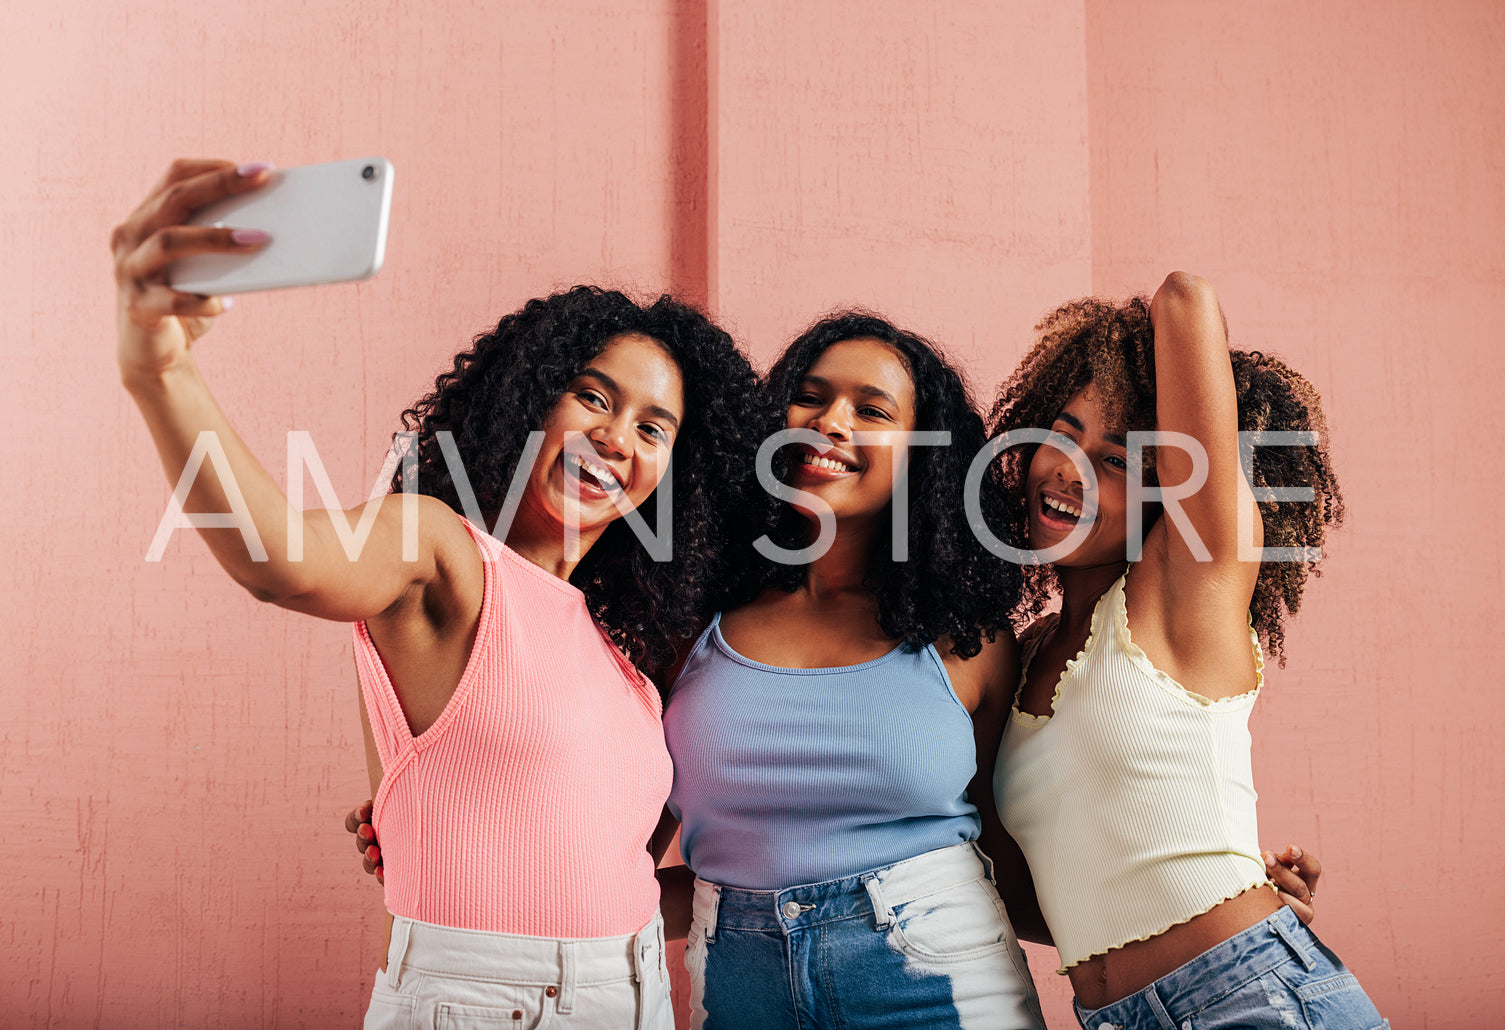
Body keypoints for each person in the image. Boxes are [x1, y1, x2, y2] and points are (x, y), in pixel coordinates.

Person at [113, 159, 763, 1030]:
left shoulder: (624, 657)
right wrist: (161, 371)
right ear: (530, 399)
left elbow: (608, 856)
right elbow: (281, 559)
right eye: (592, 397)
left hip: (634, 990)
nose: (616, 438)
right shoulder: (439, 551)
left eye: (653, 428)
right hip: (487, 1002)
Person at [988, 273, 1387, 1029]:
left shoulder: (1185, 593)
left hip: (1250, 996)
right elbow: (1056, 901)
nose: (1068, 469)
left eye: (1116, 460)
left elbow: (1183, 300)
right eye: (1062, 433)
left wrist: (1125, 351)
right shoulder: (1020, 657)